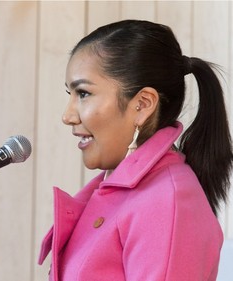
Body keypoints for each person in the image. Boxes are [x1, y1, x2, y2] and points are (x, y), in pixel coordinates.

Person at [38, 20, 233, 280]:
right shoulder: (117, 191)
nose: (68, 116)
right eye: (70, 94)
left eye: (83, 94)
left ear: (142, 104)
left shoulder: (166, 202)